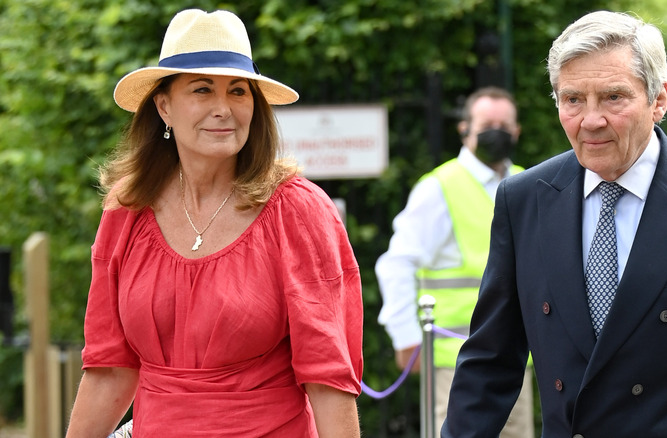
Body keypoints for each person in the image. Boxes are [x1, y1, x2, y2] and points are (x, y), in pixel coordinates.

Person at [442, 10, 667, 437]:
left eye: (613, 97)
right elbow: (490, 363)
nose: (591, 120)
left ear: (659, 99)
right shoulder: (523, 200)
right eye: (573, 100)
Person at [65, 9, 363, 437]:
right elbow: (109, 370)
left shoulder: (297, 210)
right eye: (202, 90)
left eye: (238, 92)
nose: (223, 109)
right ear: (164, 106)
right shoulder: (126, 209)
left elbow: (329, 377)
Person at [376, 87, 534, 437]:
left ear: (517, 132)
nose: (497, 131)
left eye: (504, 124)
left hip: (516, 360)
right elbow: (396, 263)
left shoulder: (528, 183)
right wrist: (406, 337)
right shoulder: (439, 188)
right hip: (455, 364)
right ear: (465, 129)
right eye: (487, 123)